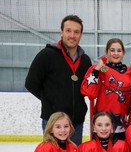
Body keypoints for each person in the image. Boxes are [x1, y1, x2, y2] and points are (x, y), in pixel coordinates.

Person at [25, 15, 92, 145]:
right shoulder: (46, 55)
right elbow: (31, 83)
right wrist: (51, 101)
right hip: (53, 122)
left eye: (76, 32)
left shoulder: (85, 60)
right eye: (68, 30)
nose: (72, 35)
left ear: (81, 35)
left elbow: (88, 87)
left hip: (76, 123)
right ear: (61, 32)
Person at [81, 38, 131, 140]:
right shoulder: (100, 69)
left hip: (121, 125)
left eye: (119, 50)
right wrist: (96, 71)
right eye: (112, 50)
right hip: (101, 124)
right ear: (107, 52)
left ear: (123, 53)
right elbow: (90, 93)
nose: (115, 53)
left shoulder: (130, 72)